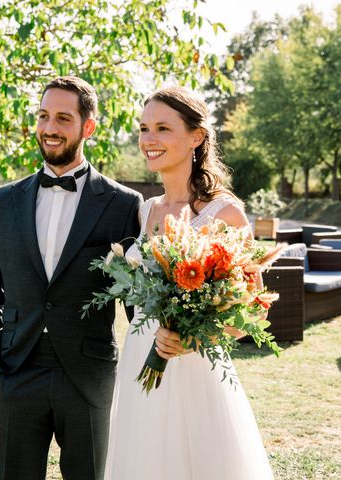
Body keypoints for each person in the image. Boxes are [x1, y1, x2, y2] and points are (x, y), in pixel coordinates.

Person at [0, 76, 143, 480]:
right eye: (44, 116)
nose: (50, 128)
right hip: (15, 372)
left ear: (88, 127)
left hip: (89, 377)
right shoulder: (3, 200)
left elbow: (136, 303)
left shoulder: (123, 204)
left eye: (63, 118)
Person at [104, 86, 274, 480]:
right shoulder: (147, 210)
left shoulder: (225, 212)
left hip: (196, 372)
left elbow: (255, 307)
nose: (149, 139)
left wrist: (193, 338)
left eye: (163, 128)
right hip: (140, 357)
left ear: (196, 136)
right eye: (144, 128)